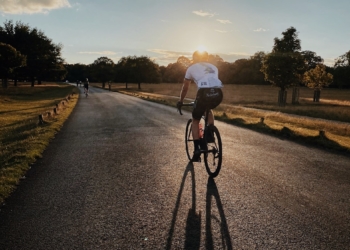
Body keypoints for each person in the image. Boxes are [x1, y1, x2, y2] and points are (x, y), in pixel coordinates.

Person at [177, 50, 223, 162]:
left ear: (194, 58)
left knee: (195, 120)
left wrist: (181, 101)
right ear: (206, 58)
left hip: (203, 93)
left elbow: (185, 87)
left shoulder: (191, 68)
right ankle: (210, 133)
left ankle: (197, 150)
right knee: (208, 109)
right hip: (218, 93)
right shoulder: (213, 67)